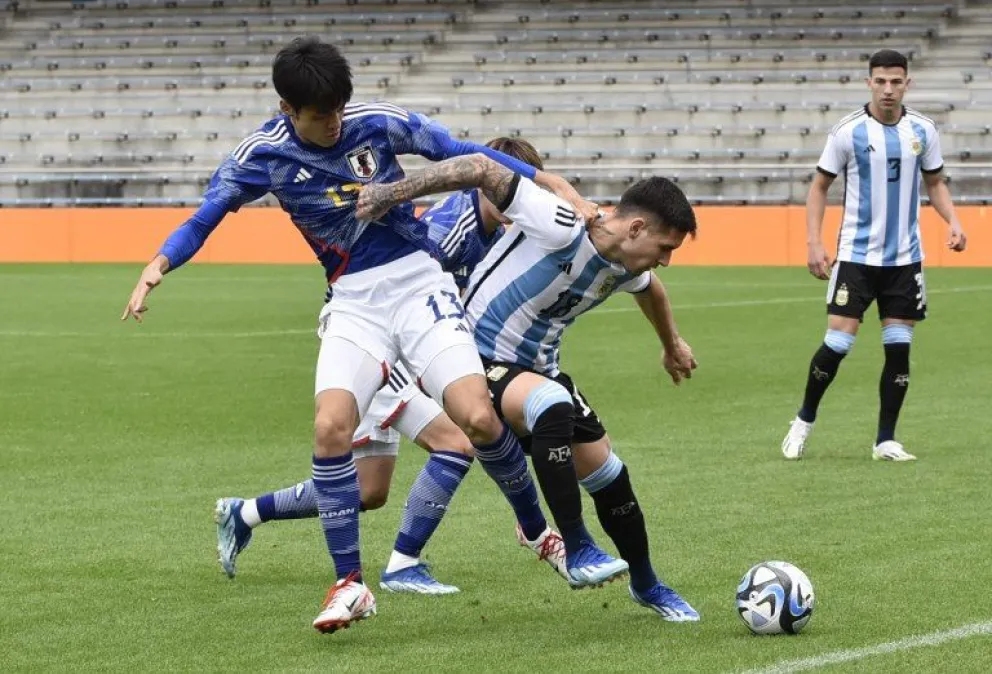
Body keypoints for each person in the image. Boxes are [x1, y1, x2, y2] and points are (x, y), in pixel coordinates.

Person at [120, 37, 595, 634]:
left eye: (340, 109)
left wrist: (542, 178)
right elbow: (204, 217)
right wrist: (158, 264)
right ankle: (351, 584)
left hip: (417, 281)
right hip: (352, 300)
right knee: (329, 426)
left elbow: (461, 152)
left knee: (475, 417)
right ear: (289, 110)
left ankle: (536, 532)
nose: (335, 123)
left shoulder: (377, 123)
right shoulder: (260, 156)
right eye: (321, 115)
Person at [214, 138, 568, 595]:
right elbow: (400, 292)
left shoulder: (498, 232)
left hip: (409, 341)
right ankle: (403, 564)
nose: (507, 201)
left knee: (367, 490)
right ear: (481, 185)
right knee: (458, 441)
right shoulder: (452, 226)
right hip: (383, 340)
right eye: (501, 189)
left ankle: (244, 513)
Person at [356, 154, 702, 621]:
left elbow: (651, 288)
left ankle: (646, 584)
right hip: (470, 356)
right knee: (551, 405)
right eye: (666, 247)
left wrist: (672, 344)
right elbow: (480, 168)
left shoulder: (624, 261)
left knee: (610, 477)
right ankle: (576, 547)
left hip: (538, 368)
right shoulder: (562, 223)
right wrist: (389, 194)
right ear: (636, 227)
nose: (666, 259)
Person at [781, 49, 968, 462]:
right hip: (856, 257)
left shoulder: (923, 130)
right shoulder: (848, 131)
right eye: (880, 81)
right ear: (869, 82)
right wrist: (814, 241)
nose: (888, 89)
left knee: (898, 348)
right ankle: (803, 422)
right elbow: (818, 187)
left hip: (905, 259)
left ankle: (885, 439)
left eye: (895, 81)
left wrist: (952, 220)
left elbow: (935, 181)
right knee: (837, 343)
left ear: (907, 83)